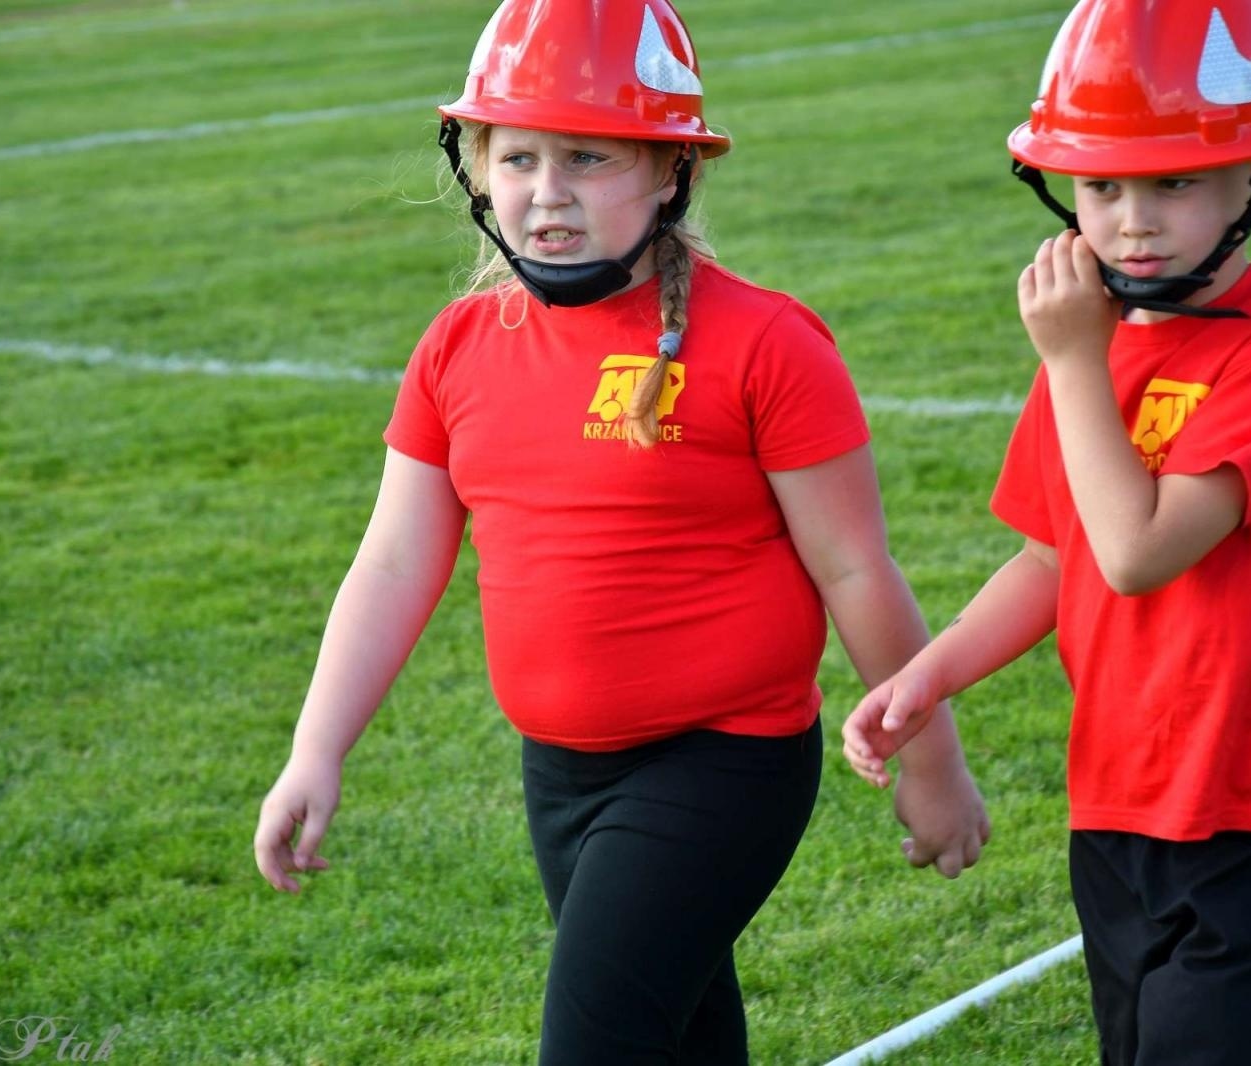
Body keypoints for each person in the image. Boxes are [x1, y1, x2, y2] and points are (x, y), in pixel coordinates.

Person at [253, 1, 989, 1062]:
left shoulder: (767, 344)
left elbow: (854, 569)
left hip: (725, 763)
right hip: (558, 775)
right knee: (682, 1037)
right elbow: (394, 561)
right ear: (477, 170)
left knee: (597, 1040)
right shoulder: (457, 347)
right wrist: (315, 750)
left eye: (587, 157)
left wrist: (933, 764)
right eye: (517, 158)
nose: (546, 192)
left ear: (670, 170)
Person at [843, 0, 1251, 1062]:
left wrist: (1075, 361)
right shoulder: (1088, 357)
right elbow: (1053, 555)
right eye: (1100, 187)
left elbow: (1135, 553)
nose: (1131, 222)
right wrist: (930, 676)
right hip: (1120, 808)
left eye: (1173, 183)